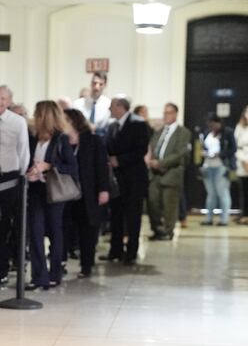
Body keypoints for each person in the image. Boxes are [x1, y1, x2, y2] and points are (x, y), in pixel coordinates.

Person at [25, 101, 78, 290]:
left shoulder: (60, 139)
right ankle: (39, 276)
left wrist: (49, 166)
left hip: (55, 191)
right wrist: (31, 171)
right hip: (36, 190)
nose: (34, 117)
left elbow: (72, 167)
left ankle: (55, 273)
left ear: (44, 116)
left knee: (56, 232)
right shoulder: (34, 138)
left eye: (37, 113)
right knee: (35, 232)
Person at [0, 85, 30, 285]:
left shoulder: (18, 122)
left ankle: (2, 267)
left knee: (3, 225)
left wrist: (22, 177)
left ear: (9, 101)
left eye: (3, 98)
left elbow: (23, 151)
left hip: (10, 177)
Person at [102, 96, 150, 264]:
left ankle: (131, 252)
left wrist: (120, 160)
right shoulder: (112, 126)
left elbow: (141, 150)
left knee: (132, 217)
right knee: (116, 215)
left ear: (121, 107)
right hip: (116, 179)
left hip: (134, 178)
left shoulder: (138, 124)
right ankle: (115, 250)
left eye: (112, 106)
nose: (109, 109)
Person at [63, 109, 110, 278]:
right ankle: (62, 263)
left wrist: (103, 189)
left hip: (88, 192)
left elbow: (101, 166)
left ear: (74, 122)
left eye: (65, 120)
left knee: (88, 230)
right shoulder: (61, 140)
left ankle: (86, 265)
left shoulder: (92, 140)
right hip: (66, 193)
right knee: (66, 228)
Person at [147, 103, 192, 240]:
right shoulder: (159, 132)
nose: (166, 116)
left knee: (169, 206)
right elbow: (152, 148)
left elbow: (180, 154)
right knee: (152, 203)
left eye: (169, 113)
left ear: (175, 114)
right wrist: (151, 160)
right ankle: (157, 229)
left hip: (171, 173)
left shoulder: (183, 132)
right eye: (164, 113)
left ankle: (168, 231)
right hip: (154, 175)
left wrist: (160, 163)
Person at [200, 115, 236, 226]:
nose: (212, 127)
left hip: (222, 165)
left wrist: (220, 154)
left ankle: (224, 219)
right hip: (208, 165)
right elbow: (203, 146)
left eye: (214, 124)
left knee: (223, 192)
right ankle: (209, 218)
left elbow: (233, 148)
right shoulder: (207, 133)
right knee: (211, 193)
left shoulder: (227, 132)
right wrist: (204, 153)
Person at [236, 105, 248, 224]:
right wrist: (244, 161)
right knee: (243, 190)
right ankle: (244, 214)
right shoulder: (240, 127)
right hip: (242, 161)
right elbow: (237, 146)